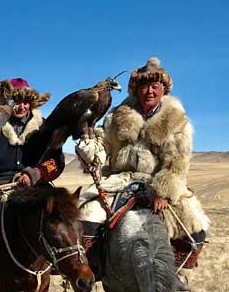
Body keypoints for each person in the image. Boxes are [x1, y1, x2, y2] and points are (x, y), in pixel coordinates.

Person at [77, 57, 209, 269]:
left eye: (154, 86)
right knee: (87, 213)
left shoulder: (176, 120)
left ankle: (175, 272)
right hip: (120, 180)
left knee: (195, 225)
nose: (149, 91)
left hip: (156, 182)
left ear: (163, 89)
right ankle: (95, 267)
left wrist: (164, 191)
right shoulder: (117, 117)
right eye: (144, 86)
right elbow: (104, 144)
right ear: (136, 90)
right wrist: (91, 151)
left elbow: (177, 161)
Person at [0, 78, 65, 280]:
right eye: (15, 101)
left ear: (31, 103)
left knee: (62, 213)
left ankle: (60, 260)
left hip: (37, 185)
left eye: (24, 102)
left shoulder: (44, 128)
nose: (20, 106)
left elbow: (56, 161)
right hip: (0, 185)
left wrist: (34, 173)